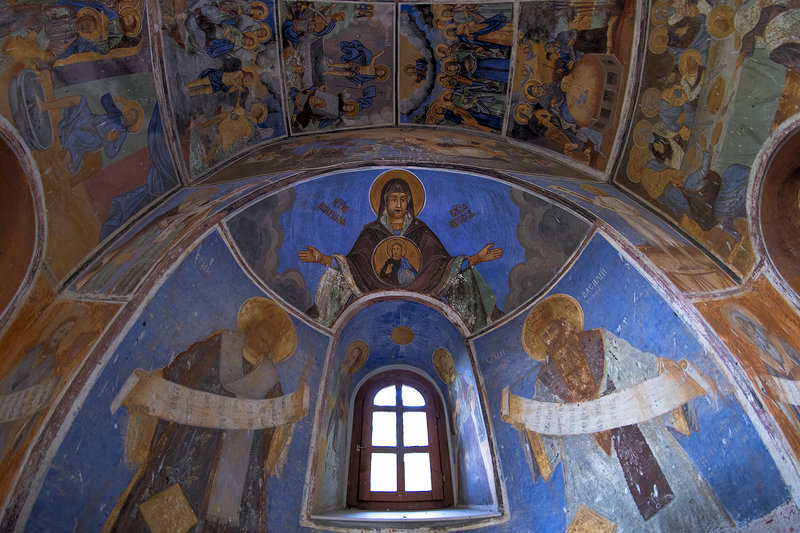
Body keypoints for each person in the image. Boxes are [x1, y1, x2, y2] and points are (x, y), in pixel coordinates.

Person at [508, 294, 733, 530]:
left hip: (626, 422)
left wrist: (663, 368)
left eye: (552, 330)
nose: (550, 339)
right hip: (586, 456)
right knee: (605, 507)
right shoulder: (544, 379)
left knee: (665, 500)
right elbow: (541, 419)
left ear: (564, 324)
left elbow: (636, 363)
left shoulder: (599, 341)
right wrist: (522, 421)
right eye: (544, 337)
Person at [107, 298, 301, 531]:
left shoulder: (270, 378)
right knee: (169, 501)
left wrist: (290, 417)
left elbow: (274, 420)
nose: (265, 337)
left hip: (234, 464)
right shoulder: (222, 343)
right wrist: (154, 386)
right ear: (252, 326)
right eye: (264, 330)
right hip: (191, 441)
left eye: (272, 337)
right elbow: (183, 368)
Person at [298, 171, 503, 331]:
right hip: (372, 285)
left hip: (423, 283)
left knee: (465, 277)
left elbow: (441, 264)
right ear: (384, 201)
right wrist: (323, 259)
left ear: (409, 202)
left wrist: (476, 259)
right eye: (393, 198)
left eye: (403, 199)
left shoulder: (421, 231)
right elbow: (354, 264)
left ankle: (484, 325)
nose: (398, 204)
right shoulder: (371, 232)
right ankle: (318, 324)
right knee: (336, 277)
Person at [0, 306, 86, 460]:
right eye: (61, 330)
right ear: (54, 329)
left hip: (16, 413)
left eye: (65, 333)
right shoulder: (32, 351)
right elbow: (9, 376)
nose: (60, 336)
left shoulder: (51, 363)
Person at [38, 92, 143, 173]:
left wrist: (108, 140)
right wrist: (118, 99)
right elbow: (104, 100)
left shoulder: (122, 134)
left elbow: (111, 153)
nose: (127, 117)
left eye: (131, 118)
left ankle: (61, 167)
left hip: (95, 138)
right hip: (90, 119)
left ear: (132, 124)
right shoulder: (117, 113)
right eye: (128, 113)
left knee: (76, 134)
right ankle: (45, 106)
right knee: (79, 99)